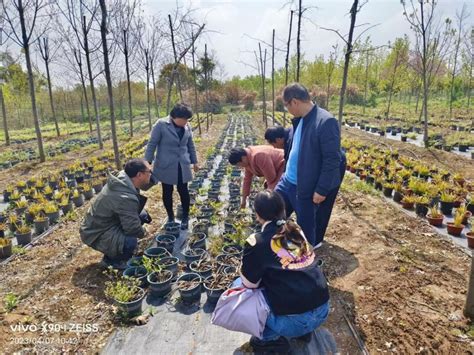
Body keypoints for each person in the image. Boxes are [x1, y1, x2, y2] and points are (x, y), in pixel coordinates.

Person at [239, 190, 330, 353]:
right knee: (293, 277)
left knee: (242, 288)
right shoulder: (296, 229)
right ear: (282, 209)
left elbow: (249, 284)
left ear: (258, 215)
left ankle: (269, 340)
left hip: (295, 322)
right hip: (323, 310)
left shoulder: (257, 242)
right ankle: (304, 331)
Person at [275, 83, 346, 248]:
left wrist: (321, 189)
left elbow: (332, 159)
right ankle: (277, 247)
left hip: (305, 187)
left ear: (294, 102)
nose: (287, 110)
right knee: (273, 211)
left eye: (286, 106)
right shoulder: (300, 120)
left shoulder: (325, 121)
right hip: (287, 182)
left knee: (306, 228)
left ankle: (307, 261)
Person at [79, 158, 152, 270]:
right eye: (149, 172)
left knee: (142, 215)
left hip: (101, 224)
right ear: (139, 175)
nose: (150, 175)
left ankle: (113, 250)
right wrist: (146, 235)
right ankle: (113, 261)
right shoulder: (125, 197)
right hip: (96, 233)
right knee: (130, 241)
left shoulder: (124, 179)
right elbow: (132, 228)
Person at [145, 103, 198, 230]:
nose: (186, 122)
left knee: (183, 191)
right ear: (175, 117)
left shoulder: (187, 126)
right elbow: (152, 144)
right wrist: (147, 162)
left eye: (187, 119)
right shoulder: (161, 125)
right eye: (184, 119)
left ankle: (185, 217)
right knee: (167, 191)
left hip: (182, 164)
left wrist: (194, 161)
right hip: (166, 165)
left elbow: (190, 144)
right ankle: (170, 217)